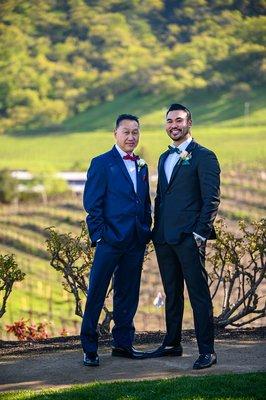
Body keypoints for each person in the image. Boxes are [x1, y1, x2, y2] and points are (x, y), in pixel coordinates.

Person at [151, 103, 220, 369]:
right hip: (164, 238)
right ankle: (172, 343)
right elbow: (161, 197)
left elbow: (211, 198)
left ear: (189, 123)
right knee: (172, 292)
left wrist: (200, 234)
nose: (174, 125)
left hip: (190, 238)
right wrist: (156, 231)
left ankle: (207, 351)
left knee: (198, 294)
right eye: (169, 121)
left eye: (179, 120)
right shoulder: (163, 157)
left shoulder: (204, 156)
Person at [80, 114, 152, 366]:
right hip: (109, 241)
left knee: (128, 294)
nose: (131, 137)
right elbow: (92, 204)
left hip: (135, 241)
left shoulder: (143, 165)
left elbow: (144, 202)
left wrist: (145, 228)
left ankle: (123, 345)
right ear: (115, 134)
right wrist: (100, 236)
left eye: (135, 132)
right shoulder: (101, 163)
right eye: (126, 132)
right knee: (97, 293)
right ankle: (89, 348)